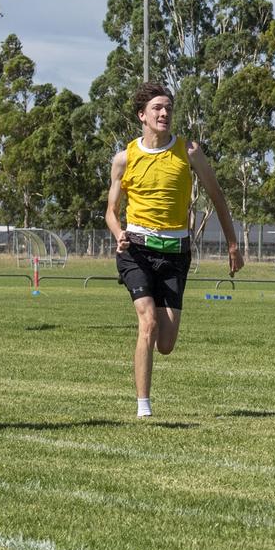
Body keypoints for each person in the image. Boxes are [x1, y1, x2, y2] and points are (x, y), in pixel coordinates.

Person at [105, 82, 242, 418]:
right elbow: (110, 210)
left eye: (168, 108)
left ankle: (145, 396)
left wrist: (233, 243)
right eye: (157, 108)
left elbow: (218, 197)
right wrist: (119, 233)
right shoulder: (124, 159)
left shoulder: (189, 152)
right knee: (147, 322)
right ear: (142, 115)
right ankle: (143, 407)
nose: (164, 113)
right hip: (135, 249)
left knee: (165, 344)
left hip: (175, 253)